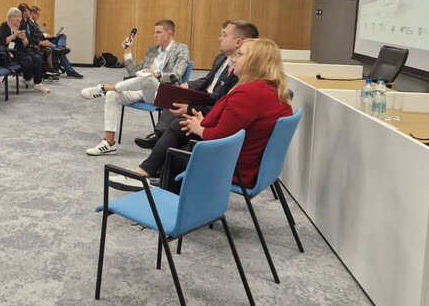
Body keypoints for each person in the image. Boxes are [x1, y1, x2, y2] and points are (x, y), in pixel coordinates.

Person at [108, 38, 293, 192]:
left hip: (234, 167)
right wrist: (203, 123)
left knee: (177, 148)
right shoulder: (273, 89)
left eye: (240, 55)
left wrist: (200, 128)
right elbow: (234, 126)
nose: (234, 60)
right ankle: (148, 175)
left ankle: (159, 192)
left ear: (255, 61)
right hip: (249, 162)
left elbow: (219, 136)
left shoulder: (248, 94)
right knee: (180, 127)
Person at [134, 20, 259, 149]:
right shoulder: (221, 58)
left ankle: (160, 140)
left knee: (178, 116)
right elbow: (208, 80)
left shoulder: (239, 69)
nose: (219, 38)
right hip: (205, 95)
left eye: (224, 35)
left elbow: (220, 99)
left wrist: (189, 108)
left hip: (213, 101)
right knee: (176, 94)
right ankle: (158, 135)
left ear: (238, 42)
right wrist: (188, 85)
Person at [81, 19, 190, 156]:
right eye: (154, 32)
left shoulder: (181, 49)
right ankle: (109, 143)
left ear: (170, 33)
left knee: (148, 78)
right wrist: (127, 50)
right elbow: (134, 73)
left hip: (163, 94)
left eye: (158, 32)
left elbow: (177, 75)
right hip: (143, 89)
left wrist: (156, 74)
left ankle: (105, 87)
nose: (155, 35)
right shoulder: (152, 50)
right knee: (112, 95)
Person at [0, 7, 50, 93]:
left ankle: (38, 83)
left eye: (19, 16)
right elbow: (2, 42)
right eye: (15, 16)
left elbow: (27, 44)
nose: (17, 18)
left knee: (38, 58)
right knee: (28, 60)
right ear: (9, 18)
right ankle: (27, 78)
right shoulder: (4, 26)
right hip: (11, 52)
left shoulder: (22, 26)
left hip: (23, 50)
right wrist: (14, 35)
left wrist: (24, 38)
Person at [26, 5, 82, 79]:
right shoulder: (29, 23)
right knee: (60, 53)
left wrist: (47, 35)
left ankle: (60, 47)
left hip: (45, 39)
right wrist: (45, 36)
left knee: (62, 36)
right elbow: (34, 35)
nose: (39, 16)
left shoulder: (35, 23)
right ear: (32, 13)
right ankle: (70, 71)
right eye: (38, 14)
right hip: (41, 42)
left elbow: (39, 33)